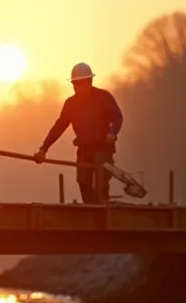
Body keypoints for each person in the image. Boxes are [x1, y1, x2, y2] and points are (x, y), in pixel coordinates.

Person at [33, 63, 123, 204]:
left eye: (79, 83)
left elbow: (117, 117)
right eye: (74, 84)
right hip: (84, 149)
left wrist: (112, 132)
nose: (76, 87)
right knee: (83, 182)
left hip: (102, 148)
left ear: (89, 82)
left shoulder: (103, 97)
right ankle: (89, 211)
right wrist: (43, 149)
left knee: (101, 181)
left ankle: (102, 211)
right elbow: (59, 127)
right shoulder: (71, 104)